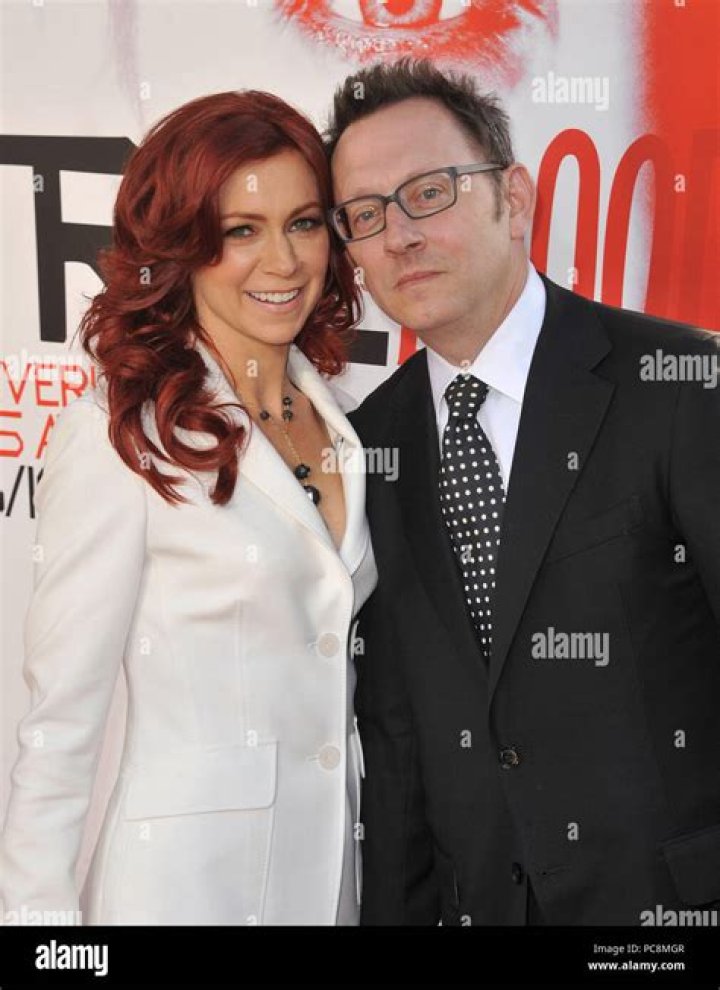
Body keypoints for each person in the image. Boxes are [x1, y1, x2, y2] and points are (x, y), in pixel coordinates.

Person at [325, 58, 720, 925]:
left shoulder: (680, 384)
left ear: (514, 196)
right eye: (366, 214)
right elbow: (396, 741)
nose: (399, 236)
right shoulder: (366, 445)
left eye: (429, 193)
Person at [0, 90, 376, 926]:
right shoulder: (119, 435)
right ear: (183, 249)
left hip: (331, 887)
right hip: (181, 892)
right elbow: (60, 727)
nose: (283, 261)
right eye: (241, 230)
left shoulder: (348, 425)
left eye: (304, 223)